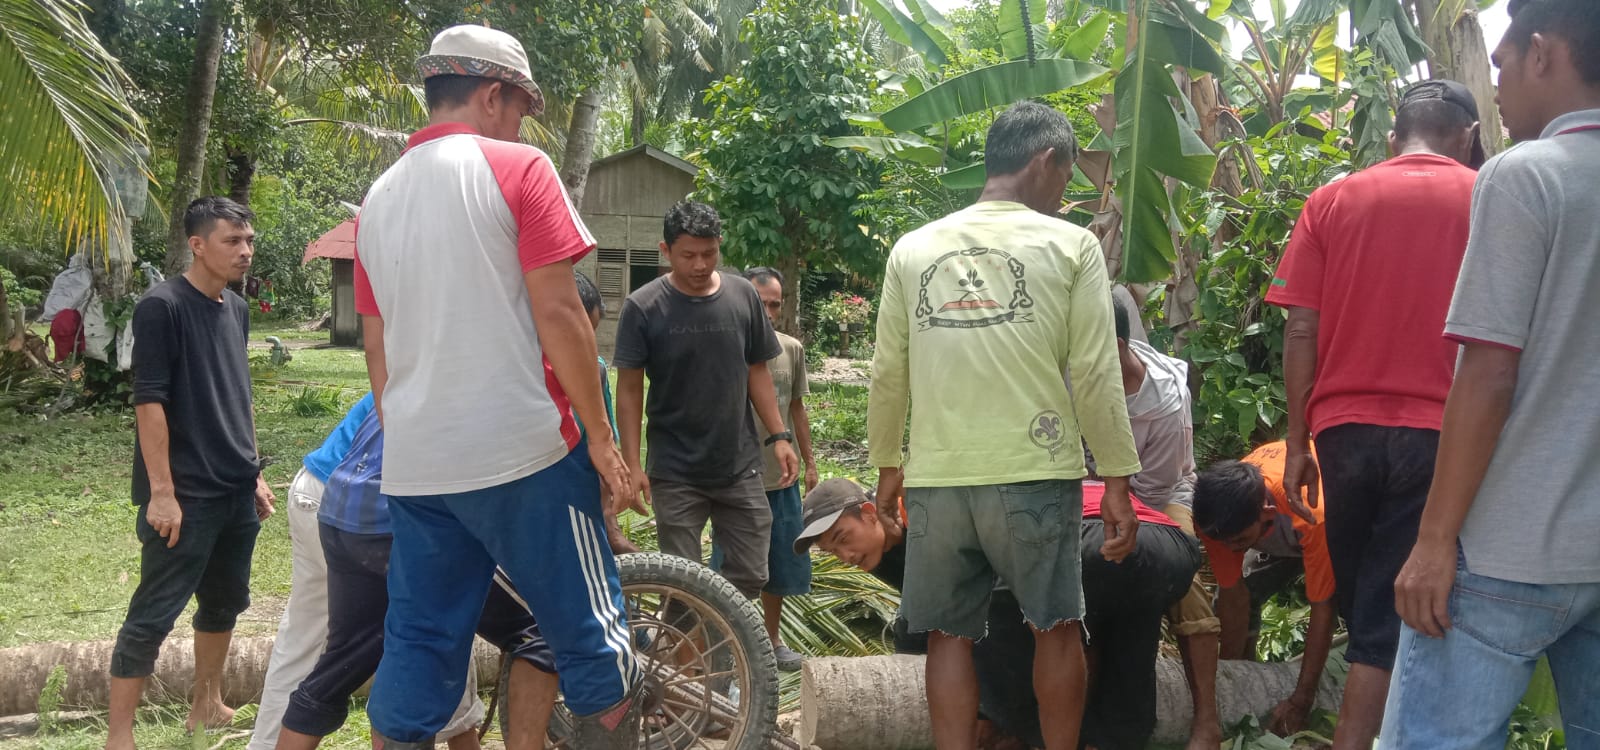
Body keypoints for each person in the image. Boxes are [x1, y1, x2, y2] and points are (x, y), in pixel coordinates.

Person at [353, 25, 640, 749]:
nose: (520, 125)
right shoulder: (519, 167)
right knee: (592, 632)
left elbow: (377, 343)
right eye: (519, 108)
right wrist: (602, 442)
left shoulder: (379, 198)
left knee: (419, 640)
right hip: (525, 453)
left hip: (419, 465)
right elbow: (559, 311)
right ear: (492, 94)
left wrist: (409, 435)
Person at [866, 100, 1142, 750]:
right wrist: (1120, 482)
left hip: (937, 478)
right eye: (1067, 178)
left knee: (947, 635)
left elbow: (887, 372)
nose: (1064, 194)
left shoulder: (913, 249)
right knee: (1056, 626)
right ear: (1045, 162)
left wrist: (886, 466)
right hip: (1035, 473)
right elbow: (1098, 373)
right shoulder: (1072, 245)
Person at [1385, 1, 1600, 744]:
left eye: (1503, 65)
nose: (1498, 87)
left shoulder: (1525, 176)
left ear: (1544, 54)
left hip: (1513, 548)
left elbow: (1488, 374)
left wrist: (1435, 540)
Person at [1264, 79, 1482, 746]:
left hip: (1342, 434)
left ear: (1392, 138)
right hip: (1441, 435)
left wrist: (1298, 444)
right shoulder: (1487, 196)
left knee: (1371, 611)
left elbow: (1301, 332)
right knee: (1396, 622)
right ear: (1469, 137)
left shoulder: (1331, 199)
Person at [794, 478, 1200, 750]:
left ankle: (1029, 731)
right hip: (1163, 561)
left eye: (843, 539)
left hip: (1112, 538)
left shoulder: (925, 512)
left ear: (869, 512)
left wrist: (991, 716)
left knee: (989, 610)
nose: (844, 557)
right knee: (1125, 670)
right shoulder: (891, 549)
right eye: (833, 553)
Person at [273, 408, 557, 750]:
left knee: (346, 660)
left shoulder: (419, 359)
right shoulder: (507, 373)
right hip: (404, 519)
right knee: (541, 631)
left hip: (343, 508)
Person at [106, 197, 276, 750]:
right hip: (185, 497)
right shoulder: (162, 307)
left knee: (225, 602)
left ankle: (206, 703)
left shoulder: (236, 308)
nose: (245, 251)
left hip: (233, 490)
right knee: (154, 610)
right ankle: (120, 734)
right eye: (233, 241)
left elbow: (238, 395)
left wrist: (252, 471)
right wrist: (162, 494)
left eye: (249, 241)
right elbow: (148, 402)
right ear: (197, 245)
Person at [613, 202, 798, 600]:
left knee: (751, 572)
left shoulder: (743, 295)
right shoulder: (642, 307)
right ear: (666, 250)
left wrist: (780, 435)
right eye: (688, 255)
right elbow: (629, 389)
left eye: (709, 253)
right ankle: (688, 661)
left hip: (739, 464)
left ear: (720, 245)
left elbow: (757, 370)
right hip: (675, 470)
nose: (700, 264)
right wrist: (632, 462)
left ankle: (720, 646)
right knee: (682, 586)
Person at [1111, 303, 1221, 748]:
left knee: (1180, 571)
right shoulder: (1066, 372)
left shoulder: (1165, 402)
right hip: (1092, 488)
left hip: (1160, 492)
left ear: (1116, 348)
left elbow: (1152, 494)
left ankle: (1207, 718)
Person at [250, 394, 376, 750]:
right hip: (349, 501)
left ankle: (267, 743)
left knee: (302, 636)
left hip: (314, 488)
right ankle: (462, 737)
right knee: (418, 624)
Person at [709, 266, 818, 671]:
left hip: (781, 478)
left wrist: (810, 463)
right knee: (729, 564)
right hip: (735, 477)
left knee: (781, 563)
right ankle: (726, 646)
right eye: (762, 303)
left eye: (775, 304)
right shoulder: (727, 347)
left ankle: (770, 641)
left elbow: (796, 409)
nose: (769, 312)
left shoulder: (790, 349)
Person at [1192, 441, 1337, 733]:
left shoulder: (1311, 514)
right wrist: (1229, 683)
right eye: (1225, 543)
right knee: (1231, 596)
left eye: (1239, 542)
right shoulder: (1215, 519)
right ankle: (1246, 669)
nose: (1230, 549)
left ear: (1266, 511)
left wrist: (1301, 699)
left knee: (1357, 607)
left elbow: (1323, 609)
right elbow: (1234, 596)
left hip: (1336, 523)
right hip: (1278, 531)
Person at [575, 270, 638, 554]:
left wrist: (611, 528)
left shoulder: (596, 369)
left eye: (591, 336)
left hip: (581, 494)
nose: (583, 349)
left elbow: (604, 445)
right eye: (576, 336)